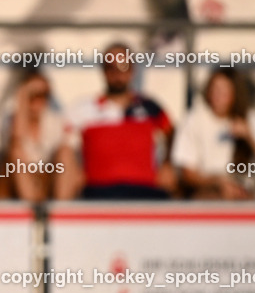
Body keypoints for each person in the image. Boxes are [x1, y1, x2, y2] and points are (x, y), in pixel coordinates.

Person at [57, 43, 175, 200]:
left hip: (144, 189)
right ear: (103, 71)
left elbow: (172, 134)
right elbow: (66, 147)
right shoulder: (81, 109)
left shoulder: (151, 108)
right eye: (111, 67)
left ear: (132, 70)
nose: (117, 74)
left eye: (123, 66)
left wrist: (167, 163)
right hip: (98, 190)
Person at [172, 68, 255, 199]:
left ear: (235, 93)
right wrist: (217, 182)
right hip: (206, 193)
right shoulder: (194, 120)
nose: (218, 96)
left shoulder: (248, 118)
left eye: (224, 92)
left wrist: (249, 137)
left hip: (244, 193)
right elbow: (188, 174)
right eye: (215, 90)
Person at [0, 70, 64, 202]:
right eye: (33, 95)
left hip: (47, 179)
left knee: (65, 153)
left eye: (43, 95)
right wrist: (22, 99)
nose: (38, 100)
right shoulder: (10, 120)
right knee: (16, 152)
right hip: (17, 181)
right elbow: (16, 141)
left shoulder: (55, 121)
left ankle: (61, 209)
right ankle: (33, 209)